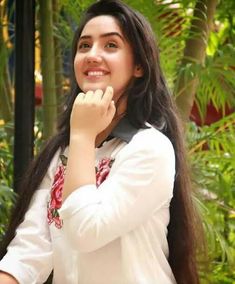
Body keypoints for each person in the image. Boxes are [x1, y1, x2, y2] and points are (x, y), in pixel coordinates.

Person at [0, 0, 203, 283]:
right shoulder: (62, 153)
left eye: (110, 45)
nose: (92, 55)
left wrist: (82, 135)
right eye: (84, 46)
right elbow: (32, 246)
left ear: (139, 67)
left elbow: (85, 230)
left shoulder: (150, 148)